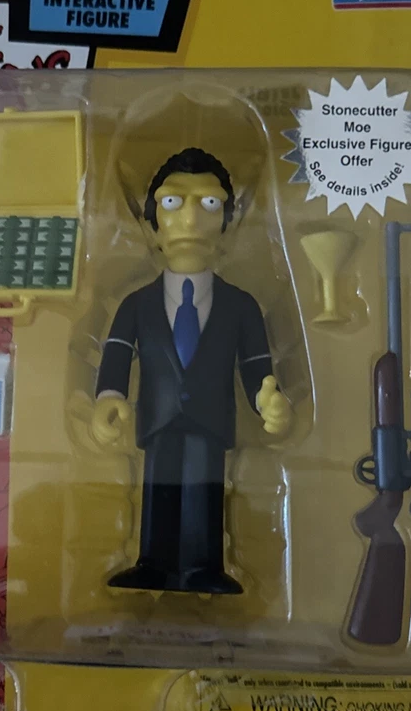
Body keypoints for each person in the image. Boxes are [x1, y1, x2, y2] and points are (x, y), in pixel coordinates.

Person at [92, 148, 292, 594]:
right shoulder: (137, 304)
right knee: (158, 489)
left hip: (211, 419)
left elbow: (257, 366)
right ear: (152, 219)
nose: (189, 219)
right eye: (171, 202)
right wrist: (108, 399)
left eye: (209, 203)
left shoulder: (241, 306)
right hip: (158, 419)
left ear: (226, 221)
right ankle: (154, 562)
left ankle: (204, 565)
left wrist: (269, 402)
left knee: (204, 489)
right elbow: (117, 355)